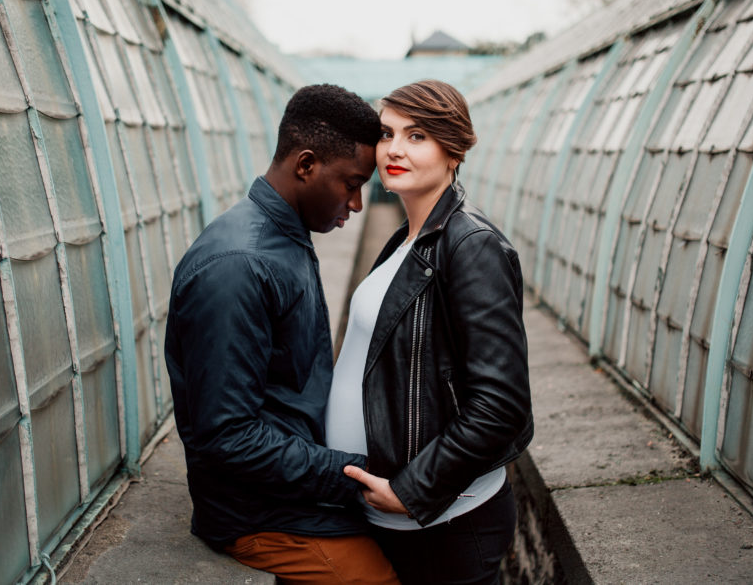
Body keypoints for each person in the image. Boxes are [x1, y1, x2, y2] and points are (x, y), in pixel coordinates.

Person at [164, 84, 400, 584]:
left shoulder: (285, 236)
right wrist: (353, 475)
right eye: (352, 184)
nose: (357, 204)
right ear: (306, 165)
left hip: (292, 492)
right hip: (259, 516)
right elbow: (228, 436)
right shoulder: (239, 267)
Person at [326, 80, 533, 585]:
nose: (394, 149)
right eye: (387, 134)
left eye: (417, 136)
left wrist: (413, 489)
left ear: (454, 150)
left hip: (445, 526)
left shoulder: (471, 247)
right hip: (395, 519)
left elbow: (502, 406)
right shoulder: (406, 241)